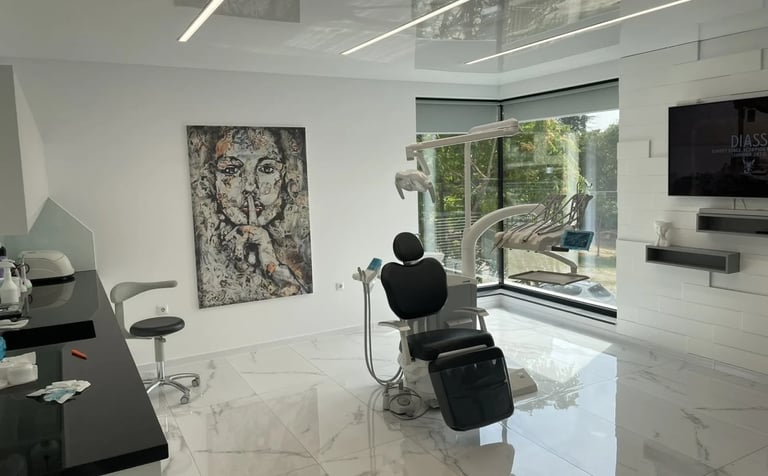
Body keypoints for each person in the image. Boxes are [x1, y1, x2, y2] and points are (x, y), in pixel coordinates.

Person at [187, 126, 312, 307]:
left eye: (267, 169)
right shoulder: (205, 250)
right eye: (230, 170)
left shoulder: (299, 242)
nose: (250, 186)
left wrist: (272, 263)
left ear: (284, 175)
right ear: (213, 178)